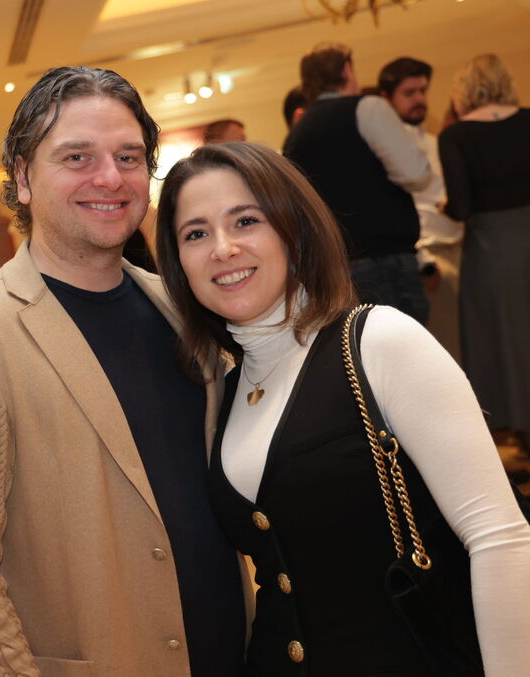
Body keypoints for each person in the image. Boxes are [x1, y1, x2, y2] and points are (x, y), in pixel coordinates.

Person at [0, 66, 249, 677]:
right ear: (22, 178)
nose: (109, 177)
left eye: (128, 157)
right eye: (77, 157)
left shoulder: (181, 306)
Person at [154, 141, 530, 676]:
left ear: (294, 230)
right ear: (178, 264)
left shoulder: (379, 341)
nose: (222, 248)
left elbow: (499, 537)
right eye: (196, 233)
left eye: (246, 221)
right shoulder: (224, 391)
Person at [283, 42, 433, 325]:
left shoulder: (296, 134)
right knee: (404, 345)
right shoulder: (367, 107)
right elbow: (414, 174)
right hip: (386, 260)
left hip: (334, 269)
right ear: (347, 71)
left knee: (360, 346)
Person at [439, 53, 530, 453]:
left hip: (491, 250)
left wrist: (444, 207)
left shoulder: (456, 137)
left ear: (464, 90)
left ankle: (518, 427)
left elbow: (461, 206)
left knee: (502, 340)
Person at [378, 56, 464, 362]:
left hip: (461, 249)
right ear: (387, 99)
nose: (420, 100)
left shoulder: (436, 142)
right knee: (448, 350)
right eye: (409, 93)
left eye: (423, 91)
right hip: (430, 257)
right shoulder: (386, 149)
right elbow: (396, 210)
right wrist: (423, 262)